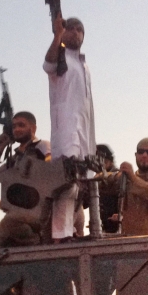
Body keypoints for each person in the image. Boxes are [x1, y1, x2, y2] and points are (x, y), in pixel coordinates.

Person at [44, 16, 95, 241]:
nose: (75, 32)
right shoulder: (60, 57)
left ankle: (74, 231)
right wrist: (57, 36)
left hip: (85, 131)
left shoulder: (83, 64)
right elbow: (48, 63)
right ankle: (61, 235)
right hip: (66, 129)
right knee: (66, 183)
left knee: (82, 185)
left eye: (79, 29)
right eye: (70, 29)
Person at [0, 111, 52, 249]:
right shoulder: (14, 159)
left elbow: (50, 162)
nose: (17, 129)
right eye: (14, 127)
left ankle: (37, 242)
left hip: (41, 212)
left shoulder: (41, 146)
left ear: (33, 128)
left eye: (21, 125)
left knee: (10, 221)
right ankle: (33, 241)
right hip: (19, 217)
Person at [99, 138, 148, 236]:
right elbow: (99, 181)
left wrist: (133, 179)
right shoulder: (126, 178)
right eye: (141, 151)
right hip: (130, 244)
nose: (144, 155)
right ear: (136, 155)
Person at [95, 144, 120, 234]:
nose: (99, 165)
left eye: (102, 162)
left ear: (110, 162)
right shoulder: (95, 179)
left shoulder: (118, 177)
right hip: (101, 227)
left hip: (117, 227)